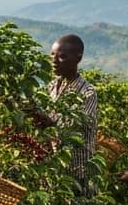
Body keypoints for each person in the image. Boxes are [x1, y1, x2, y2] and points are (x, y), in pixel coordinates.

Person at [31, 34, 98, 193]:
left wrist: (43, 119)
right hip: (53, 168)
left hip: (78, 171)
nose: (54, 61)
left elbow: (70, 129)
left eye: (62, 57)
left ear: (78, 59)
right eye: (52, 55)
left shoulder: (87, 93)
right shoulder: (52, 86)